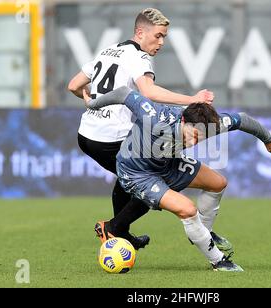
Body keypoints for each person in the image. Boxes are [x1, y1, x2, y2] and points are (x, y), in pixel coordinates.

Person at [83, 86, 271, 271]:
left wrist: (269, 140)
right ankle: (219, 261)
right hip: (136, 172)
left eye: (200, 137)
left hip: (167, 164)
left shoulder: (210, 124)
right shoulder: (155, 117)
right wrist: (93, 104)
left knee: (218, 183)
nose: (194, 141)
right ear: (183, 120)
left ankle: (204, 234)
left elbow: (243, 119)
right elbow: (124, 93)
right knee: (188, 209)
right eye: (192, 134)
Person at [67, 8, 214, 250]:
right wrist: (192, 99)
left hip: (87, 135)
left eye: (164, 36)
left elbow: (74, 85)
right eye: (158, 35)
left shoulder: (109, 50)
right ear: (140, 32)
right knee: (151, 180)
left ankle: (120, 233)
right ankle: (113, 229)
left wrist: (93, 101)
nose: (161, 42)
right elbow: (149, 92)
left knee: (127, 178)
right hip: (111, 137)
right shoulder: (139, 57)